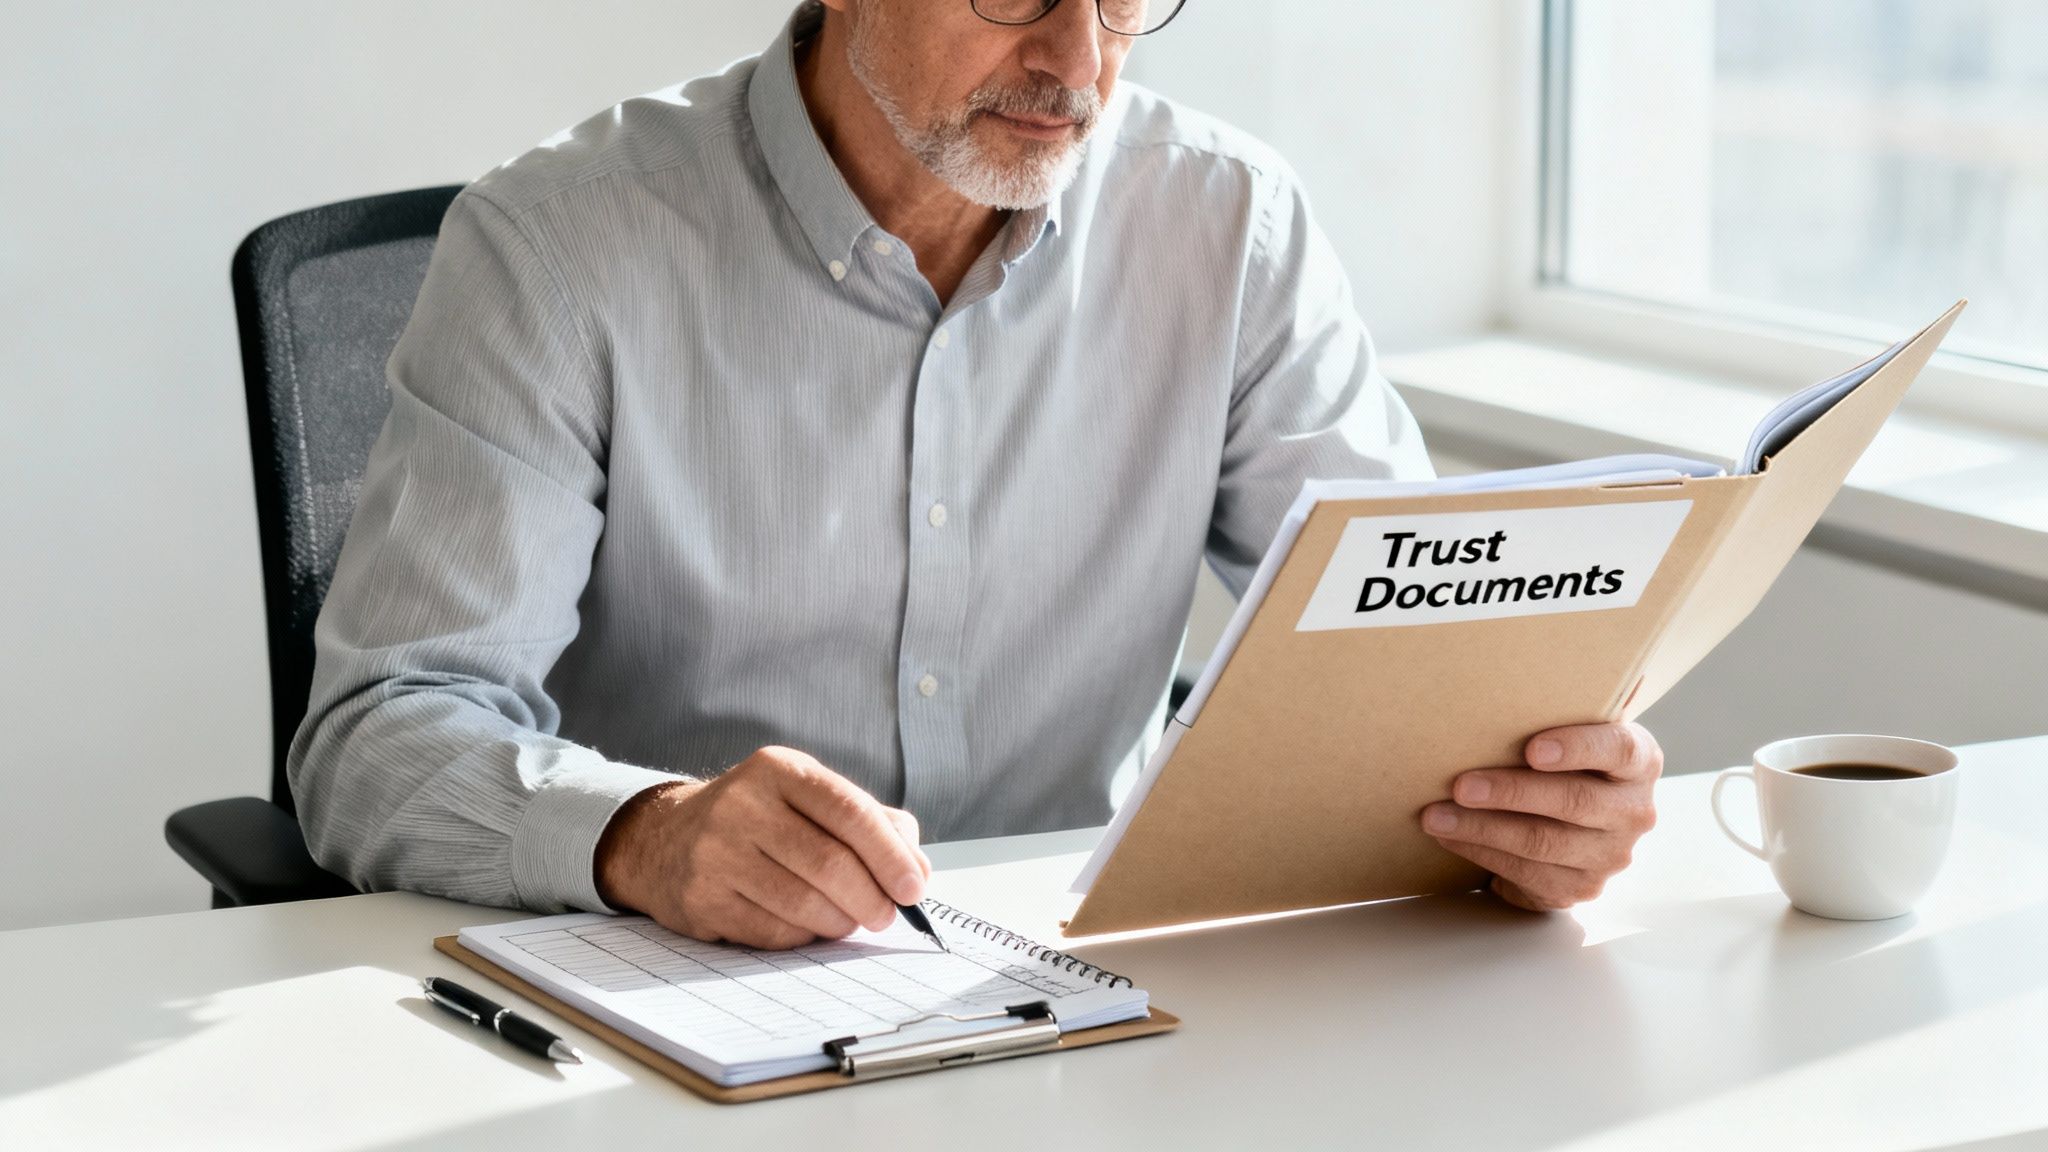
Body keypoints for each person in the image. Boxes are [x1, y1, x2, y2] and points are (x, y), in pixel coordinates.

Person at [292, 0, 1663, 949]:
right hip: (688, 1001)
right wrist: (644, 835)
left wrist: (1532, 802)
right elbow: (380, 736)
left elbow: (1415, 641)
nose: (1076, 61)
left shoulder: (1230, 225)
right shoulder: (558, 245)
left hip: (1097, 984)